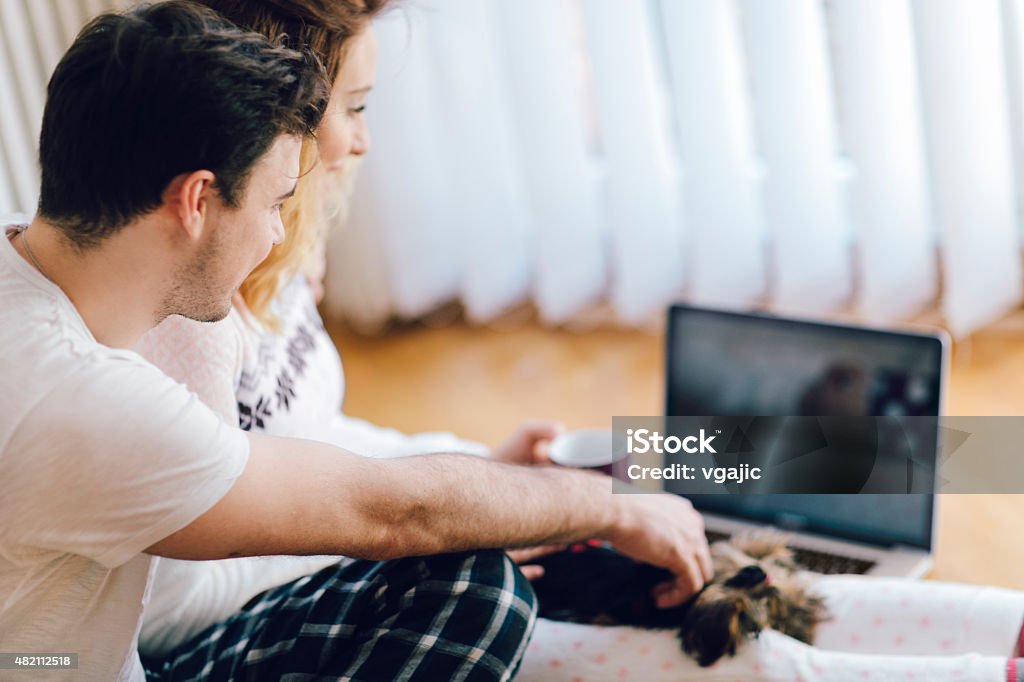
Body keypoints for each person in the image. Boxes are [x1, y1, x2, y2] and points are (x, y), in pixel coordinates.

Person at [128, 3, 1024, 681]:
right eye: (352, 108)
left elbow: (312, 442)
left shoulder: (270, 267)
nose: (362, 141)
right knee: (724, 657)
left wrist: (475, 467)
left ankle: (1003, 634)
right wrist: (440, 519)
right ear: (272, 119)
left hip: (348, 555)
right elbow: (169, 601)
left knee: (733, 575)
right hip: (246, 628)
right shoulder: (176, 322)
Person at [0, 3, 715, 680]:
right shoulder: (93, 402)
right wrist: (606, 507)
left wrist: (494, 480)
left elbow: (345, 472)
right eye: (275, 203)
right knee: (495, 583)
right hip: (169, 643)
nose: (284, 233)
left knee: (628, 494)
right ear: (196, 201)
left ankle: (805, 478)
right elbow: (388, 513)